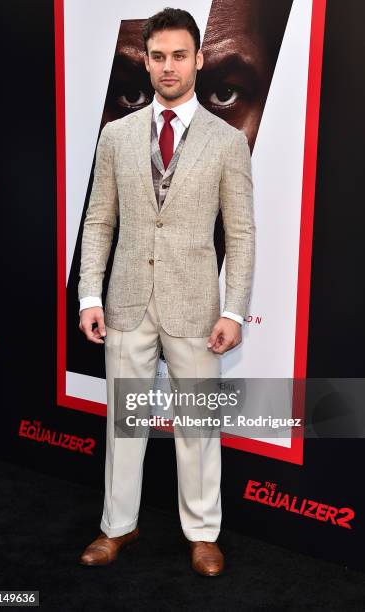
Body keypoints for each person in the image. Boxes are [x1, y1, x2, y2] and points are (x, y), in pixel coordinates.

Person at [77, 7, 255, 577]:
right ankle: (116, 526)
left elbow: (243, 232)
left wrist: (234, 308)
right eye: (158, 56)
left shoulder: (227, 142)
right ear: (146, 62)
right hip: (127, 298)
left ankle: (203, 532)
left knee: (198, 427)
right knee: (123, 421)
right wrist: (89, 295)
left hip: (197, 307)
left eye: (180, 55)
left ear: (198, 60)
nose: (168, 66)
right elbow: (99, 221)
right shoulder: (117, 135)